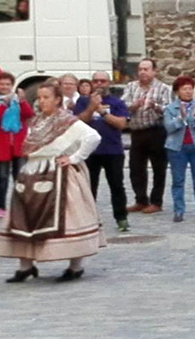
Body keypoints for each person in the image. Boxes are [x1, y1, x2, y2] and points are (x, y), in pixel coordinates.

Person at [0, 82, 105, 283]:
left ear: (57, 99)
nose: (42, 101)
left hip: (59, 175)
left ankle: (75, 266)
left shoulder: (67, 121)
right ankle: (26, 266)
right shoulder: (37, 121)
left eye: (46, 97)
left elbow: (93, 137)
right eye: (39, 97)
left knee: (69, 218)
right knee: (23, 218)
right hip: (32, 173)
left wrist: (74, 158)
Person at [75, 71, 131, 232]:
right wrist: (91, 107)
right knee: (88, 187)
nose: (99, 84)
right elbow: (77, 122)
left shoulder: (117, 102)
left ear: (109, 83)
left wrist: (102, 111)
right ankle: (88, 219)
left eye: (103, 81)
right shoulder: (83, 101)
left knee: (117, 186)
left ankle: (121, 218)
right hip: (89, 152)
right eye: (96, 81)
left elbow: (121, 124)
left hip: (113, 150)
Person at [121, 58, 171, 214]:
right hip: (136, 132)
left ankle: (156, 201)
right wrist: (134, 106)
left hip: (156, 131)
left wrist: (155, 107)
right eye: (140, 69)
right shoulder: (130, 87)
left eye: (146, 69)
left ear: (154, 71)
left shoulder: (163, 88)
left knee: (158, 168)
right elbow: (122, 106)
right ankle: (141, 199)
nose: (143, 72)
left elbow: (169, 109)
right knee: (136, 168)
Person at [163, 76, 195, 222]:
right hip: (177, 147)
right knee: (178, 180)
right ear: (178, 92)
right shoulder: (171, 108)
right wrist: (180, 118)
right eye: (185, 89)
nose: (188, 92)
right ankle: (178, 210)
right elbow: (169, 127)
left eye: (190, 89)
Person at [0, 72, 33, 219]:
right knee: (2, 176)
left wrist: (22, 101)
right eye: (2, 84)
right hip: (1, 144)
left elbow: (28, 114)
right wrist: (3, 105)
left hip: (18, 143)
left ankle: (21, 205)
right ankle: (0, 206)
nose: (5, 87)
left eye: (8, 84)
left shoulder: (17, 99)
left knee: (20, 176)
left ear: (12, 85)